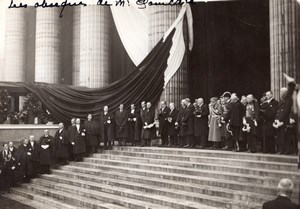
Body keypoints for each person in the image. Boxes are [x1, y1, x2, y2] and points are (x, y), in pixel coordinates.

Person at [274, 81, 295, 154]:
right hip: (279, 120)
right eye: (280, 91)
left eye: (281, 91)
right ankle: (281, 150)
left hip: (284, 120)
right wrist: (276, 119)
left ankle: (287, 150)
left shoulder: (288, 100)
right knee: (280, 136)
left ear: (285, 92)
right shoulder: (281, 100)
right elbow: (278, 111)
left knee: (285, 136)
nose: (280, 93)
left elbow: (286, 111)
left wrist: (280, 119)